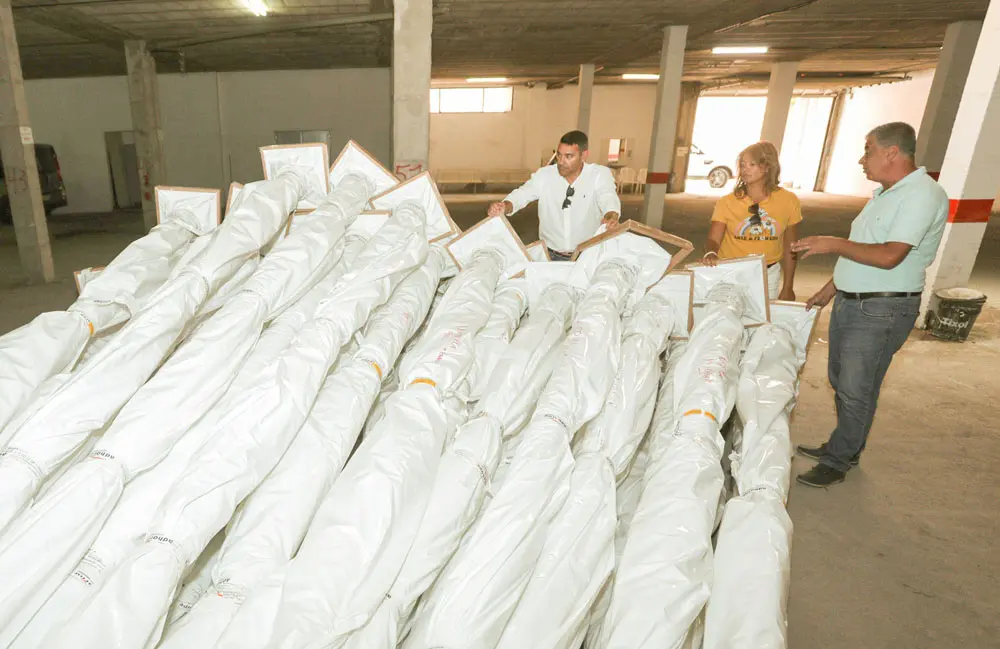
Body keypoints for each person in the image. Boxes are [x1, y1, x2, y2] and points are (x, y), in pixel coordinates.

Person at [791, 122, 948, 488]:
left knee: (855, 387)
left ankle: (839, 459)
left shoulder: (921, 195)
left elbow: (891, 255)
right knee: (843, 381)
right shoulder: (886, 194)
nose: (863, 160)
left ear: (892, 152)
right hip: (856, 301)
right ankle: (846, 444)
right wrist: (834, 286)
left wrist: (833, 243)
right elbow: (867, 246)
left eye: (869, 150)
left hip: (882, 309)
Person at [488, 131, 620, 260]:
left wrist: (611, 215)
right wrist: (505, 206)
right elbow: (523, 194)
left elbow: (607, 196)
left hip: (587, 256)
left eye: (568, 156)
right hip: (549, 255)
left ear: (584, 155)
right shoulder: (545, 175)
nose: (561, 161)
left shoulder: (598, 174)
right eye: (559, 155)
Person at [700, 141, 800, 300]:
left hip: (767, 275)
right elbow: (713, 238)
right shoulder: (727, 202)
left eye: (751, 164)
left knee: (761, 323)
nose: (744, 169)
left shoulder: (789, 201)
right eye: (742, 164)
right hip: (731, 272)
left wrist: (788, 286)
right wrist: (711, 252)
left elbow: (791, 247)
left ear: (767, 166)